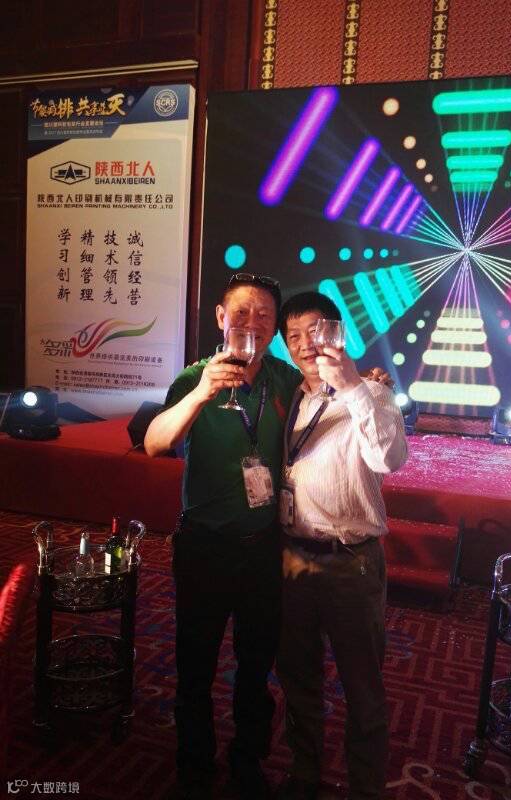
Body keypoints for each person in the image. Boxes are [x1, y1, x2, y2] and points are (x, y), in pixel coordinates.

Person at [145, 273, 302, 800]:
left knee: (256, 666)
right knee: (195, 663)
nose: (251, 324)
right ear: (220, 318)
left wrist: (368, 382)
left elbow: (328, 396)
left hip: (263, 549)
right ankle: (193, 764)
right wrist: (202, 393)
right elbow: (155, 443)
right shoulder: (194, 377)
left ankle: (247, 761)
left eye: (264, 315)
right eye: (241, 313)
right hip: (204, 548)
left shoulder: (283, 379)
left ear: (275, 328)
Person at [275, 292, 408, 800]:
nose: (305, 344)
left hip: (352, 562)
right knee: (298, 676)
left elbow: (389, 459)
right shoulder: (293, 397)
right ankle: (305, 772)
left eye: (315, 331)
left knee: (362, 685)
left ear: (338, 333)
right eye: (294, 336)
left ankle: (366, 788)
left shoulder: (371, 393)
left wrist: (352, 385)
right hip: (293, 560)